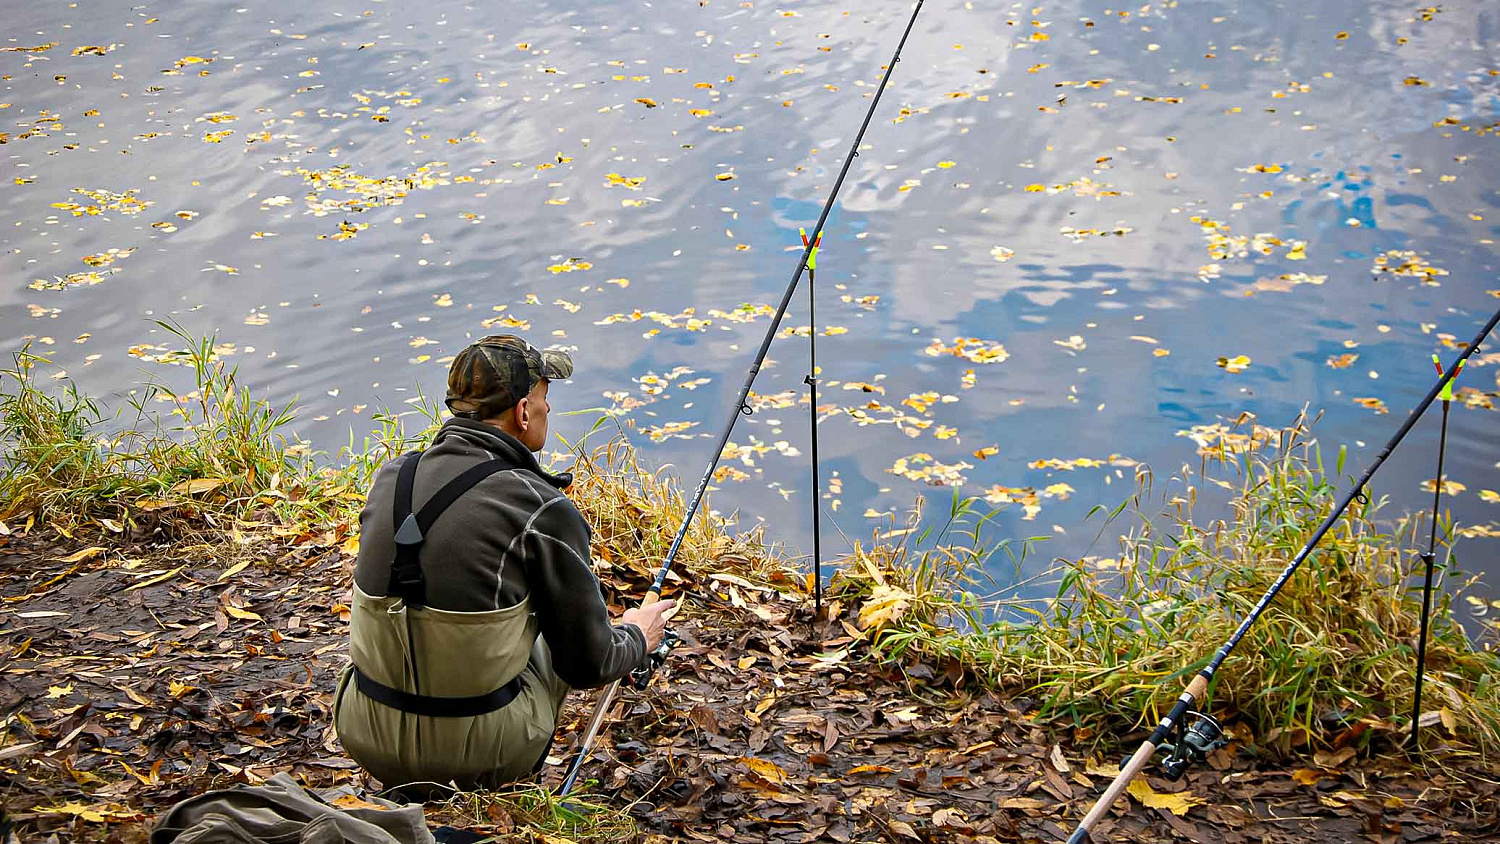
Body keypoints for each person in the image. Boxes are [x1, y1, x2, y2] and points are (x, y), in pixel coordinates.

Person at [332, 334, 676, 790]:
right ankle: (491, 765)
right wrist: (637, 633)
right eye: (544, 398)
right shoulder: (538, 505)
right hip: (476, 756)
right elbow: (589, 663)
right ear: (521, 411)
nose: (548, 410)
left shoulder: (392, 477)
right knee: (557, 628)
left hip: (363, 732)